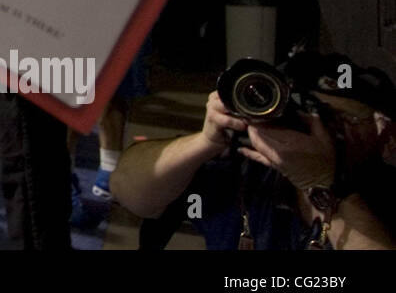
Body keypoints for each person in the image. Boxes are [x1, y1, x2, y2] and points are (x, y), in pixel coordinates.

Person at [113, 52, 395, 250]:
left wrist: (324, 185)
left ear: (385, 133)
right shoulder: (244, 172)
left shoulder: (380, 198)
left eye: (341, 119)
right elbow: (129, 191)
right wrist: (206, 142)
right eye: (307, 113)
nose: (320, 127)